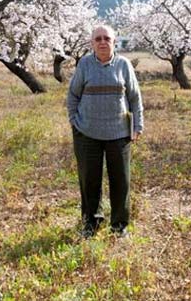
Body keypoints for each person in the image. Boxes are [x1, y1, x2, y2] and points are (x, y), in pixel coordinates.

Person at [67, 25, 144, 238]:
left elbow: (135, 98)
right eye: (98, 39)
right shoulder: (84, 65)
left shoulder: (124, 65)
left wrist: (137, 126)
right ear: (92, 43)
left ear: (114, 42)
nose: (102, 42)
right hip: (86, 134)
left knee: (121, 180)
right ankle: (91, 224)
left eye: (106, 38)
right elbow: (73, 95)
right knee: (89, 180)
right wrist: (74, 121)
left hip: (119, 134)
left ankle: (119, 226)